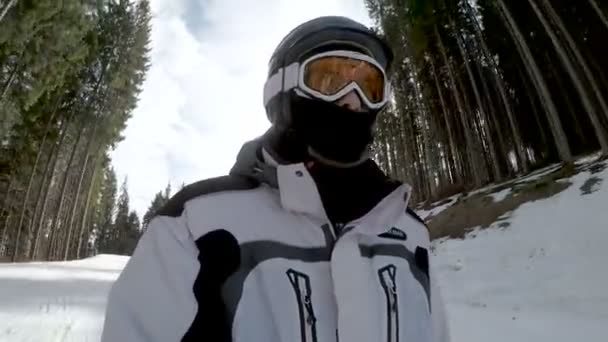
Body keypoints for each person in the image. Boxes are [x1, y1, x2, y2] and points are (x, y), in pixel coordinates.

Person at [101, 16, 449, 342]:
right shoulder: (198, 224)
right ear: (283, 91)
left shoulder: (410, 234)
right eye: (329, 80)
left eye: (368, 86)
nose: (351, 102)